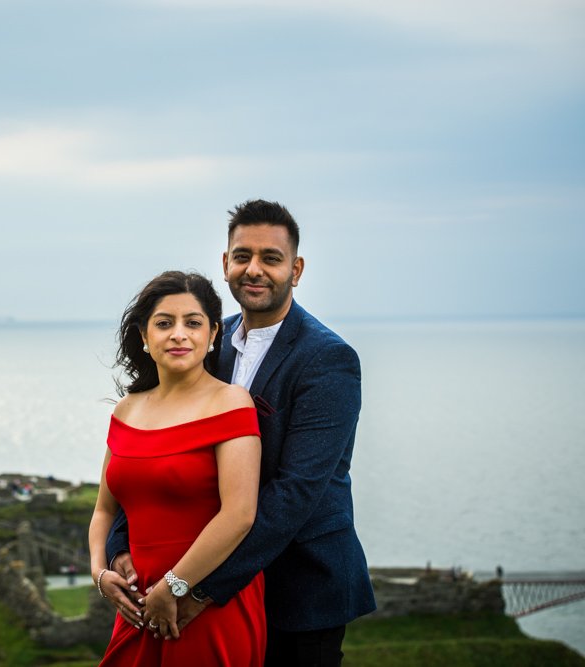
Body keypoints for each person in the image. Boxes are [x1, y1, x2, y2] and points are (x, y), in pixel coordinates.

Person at [108, 200, 376, 666]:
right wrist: (118, 550)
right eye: (242, 256)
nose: (254, 269)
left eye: (270, 258)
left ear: (296, 269)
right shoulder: (208, 340)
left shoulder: (328, 359)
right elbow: (154, 448)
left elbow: (295, 492)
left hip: (300, 589)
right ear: (225, 264)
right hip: (207, 578)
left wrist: (199, 588)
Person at [88, 270, 267, 666]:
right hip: (138, 606)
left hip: (206, 605)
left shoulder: (232, 403)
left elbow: (239, 514)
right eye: (164, 323)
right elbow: (105, 508)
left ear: (213, 334)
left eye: (193, 323)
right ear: (144, 337)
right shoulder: (126, 409)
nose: (179, 334)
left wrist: (174, 587)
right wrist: (100, 573)